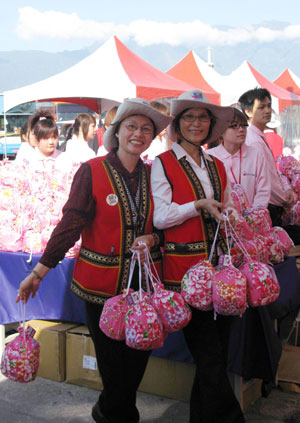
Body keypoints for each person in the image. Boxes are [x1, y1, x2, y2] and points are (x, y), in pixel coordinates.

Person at [16, 98, 173, 423]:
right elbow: (71, 224)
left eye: (146, 128)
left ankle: (107, 413)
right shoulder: (92, 170)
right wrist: (40, 271)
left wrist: (154, 239)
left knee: (136, 364)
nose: (139, 133)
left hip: (143, 288)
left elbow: (166, 224)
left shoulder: (154, 173)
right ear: (117, 132)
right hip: (100, 288)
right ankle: (116, 416)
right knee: (114, 370)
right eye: (132, 126)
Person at [151, 90, 245, 423]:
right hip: (184, 272)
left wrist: (231, 215)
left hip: (221, 270)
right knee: (209, 353)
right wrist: (198, 206)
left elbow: (230, 205)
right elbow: (160, 217)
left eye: (203, 118)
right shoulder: (161, 164)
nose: (196, 123)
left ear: (210, 125)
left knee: (214, 354)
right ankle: (232, 418)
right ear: (177, 124)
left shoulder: (216, 164)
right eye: (189, 117)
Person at [238, 88, 300, 242]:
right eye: (261, 107)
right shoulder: (252, 139)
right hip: (267, 206)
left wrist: (286, 191)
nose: (267, 110)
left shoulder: (259, 136)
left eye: (268, 106)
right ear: (248, 111)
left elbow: (272, 173)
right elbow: (265, 179)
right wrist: (284, 199)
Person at [208, 106, 271, 208]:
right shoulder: (210, 156)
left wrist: (253, 216)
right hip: (223, 218)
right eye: (234, 126)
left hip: (253, 219)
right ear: (221, 131)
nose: (241, 129)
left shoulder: (256, 154)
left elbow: (263, 190)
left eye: (244, 125)